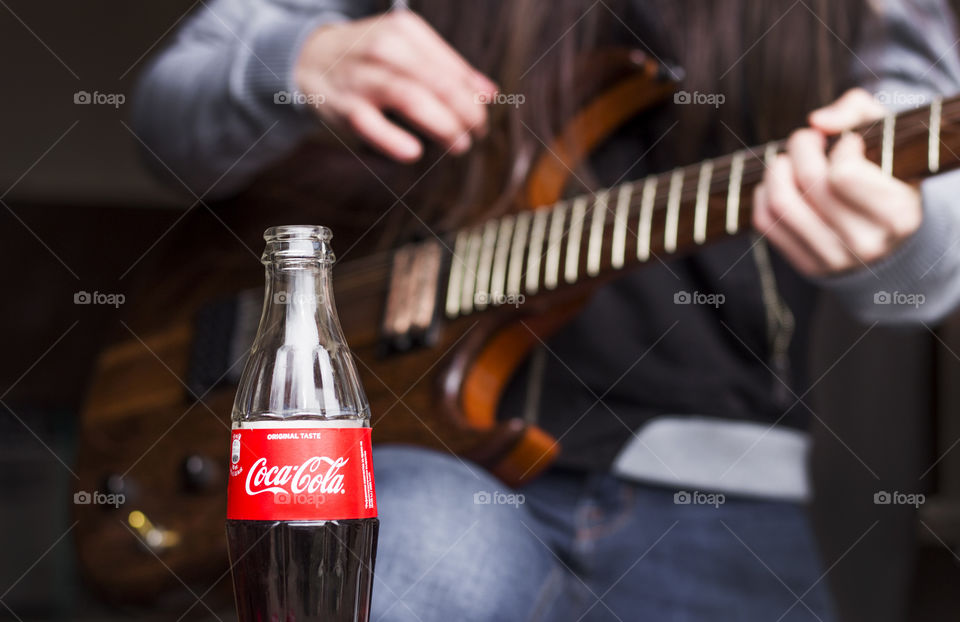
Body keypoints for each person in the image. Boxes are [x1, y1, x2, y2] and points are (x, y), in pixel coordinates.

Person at [133, 1, 960, 619]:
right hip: (419, 472)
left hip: (725, 505)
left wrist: (895, 233)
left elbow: (937, 264)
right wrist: (300, 57)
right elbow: (165, 115)